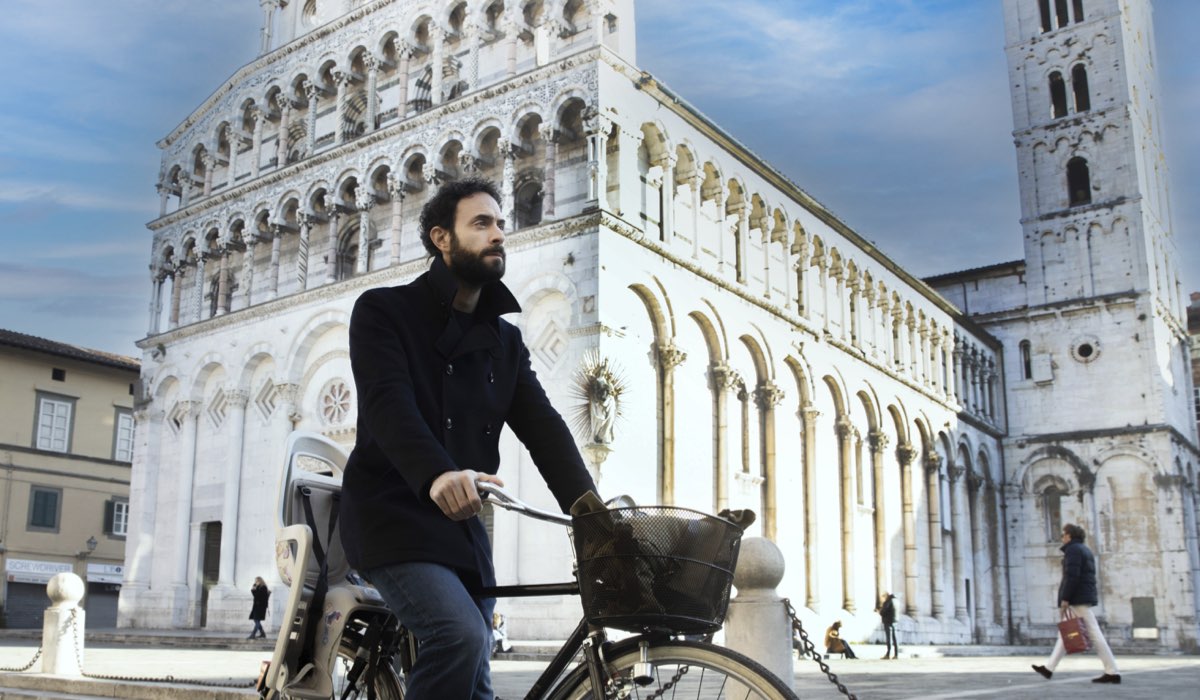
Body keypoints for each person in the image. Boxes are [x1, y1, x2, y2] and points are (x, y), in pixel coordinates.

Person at [340, 176, 597, 700]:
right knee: (457, 636)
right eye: (481, 223)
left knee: (476, 672)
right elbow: (389, 406)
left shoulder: (506, 340)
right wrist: (436, 473)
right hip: (393, 516)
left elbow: (543, 428)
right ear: (441, 238)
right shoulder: (383, 311)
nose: (498, 233)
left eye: (501, 223)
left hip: (463, 530)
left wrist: (589, 509)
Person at [1032, 523, 1120, 684]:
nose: (1062, 538)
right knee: (1066, 632)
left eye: (1063, 535)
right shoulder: (1083, 549)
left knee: (1094, 634)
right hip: (1081, 596)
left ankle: (1112, 671)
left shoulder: (1073, 550)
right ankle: (1049, 668)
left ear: (1069, 536)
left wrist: (1065, 598)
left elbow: (1072, 576)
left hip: (1077, 598)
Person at [876, 592, 898, 659]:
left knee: (889, 638)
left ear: (887, 596)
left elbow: (883, 611)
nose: (884, 598)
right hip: (895, 621)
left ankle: (888, 654)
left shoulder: (888, 601)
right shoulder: (896, 601)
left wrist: (879, 611)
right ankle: (896, 654)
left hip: (888, 621)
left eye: (884, 596)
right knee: (895, 638)